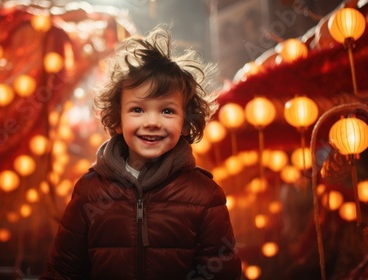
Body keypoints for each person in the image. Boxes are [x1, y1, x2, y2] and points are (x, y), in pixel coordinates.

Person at [41, 26, 242, 280]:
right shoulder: (89, 191)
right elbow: (62, 271)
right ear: (117, 119)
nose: (152, 122)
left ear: (185, 121)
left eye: (167, 111)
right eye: (137, 110)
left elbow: (222, 273)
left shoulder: (204, 195)